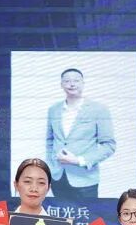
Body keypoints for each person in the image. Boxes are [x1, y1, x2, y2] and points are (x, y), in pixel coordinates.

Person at [45, 68, 116, 200]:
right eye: (67, 81)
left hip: (85, 179)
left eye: (76, 80)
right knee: (62, 213)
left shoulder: (99, 109)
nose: (72, 84)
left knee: (87, 213)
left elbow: (109, 145)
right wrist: (50, 165)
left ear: (83, 83)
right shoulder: (53, 110)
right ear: (61, 85)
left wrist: (79, 160)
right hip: (57, 177)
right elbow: (50, 140)